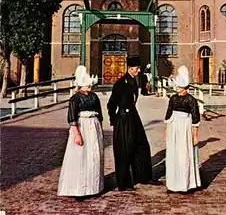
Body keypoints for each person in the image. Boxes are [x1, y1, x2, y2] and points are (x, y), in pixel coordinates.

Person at [107, 55, 156, 191]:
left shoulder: (134, 81)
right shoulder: (121, 83)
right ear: (129, 68)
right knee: (124, 149)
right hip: (123, 118)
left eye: (139, 68)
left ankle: (144, 176)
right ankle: (124, 183)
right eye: (136, 68)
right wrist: (114, 120)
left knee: (142, 145)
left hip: (134, 116)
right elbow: (111, 104)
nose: (138, 71)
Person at [58, 65, 104, 198]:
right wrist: (77, 134)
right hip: (82, 126)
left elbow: (99, 114)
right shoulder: (75, 99)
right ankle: (79, 188)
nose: (89, 88)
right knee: (81, 156)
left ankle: (93, 186)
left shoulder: (94, 97)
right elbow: (72, 118)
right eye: (86, 86)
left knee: (93, 155)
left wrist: (99, 127)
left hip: (93, 125)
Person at [164, 65, 201, 193]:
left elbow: (195, 119)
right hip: (174, 127)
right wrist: (166, 132)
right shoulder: (173, 98)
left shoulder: (191, 100)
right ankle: (173, 183)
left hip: (185, 128)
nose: (177, 89)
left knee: (184, 153)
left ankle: (186, 182)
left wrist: (195, 136)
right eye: (177, 87)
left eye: (179, 87)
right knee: (174, 153)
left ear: (185, 88)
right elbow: (168, 116)